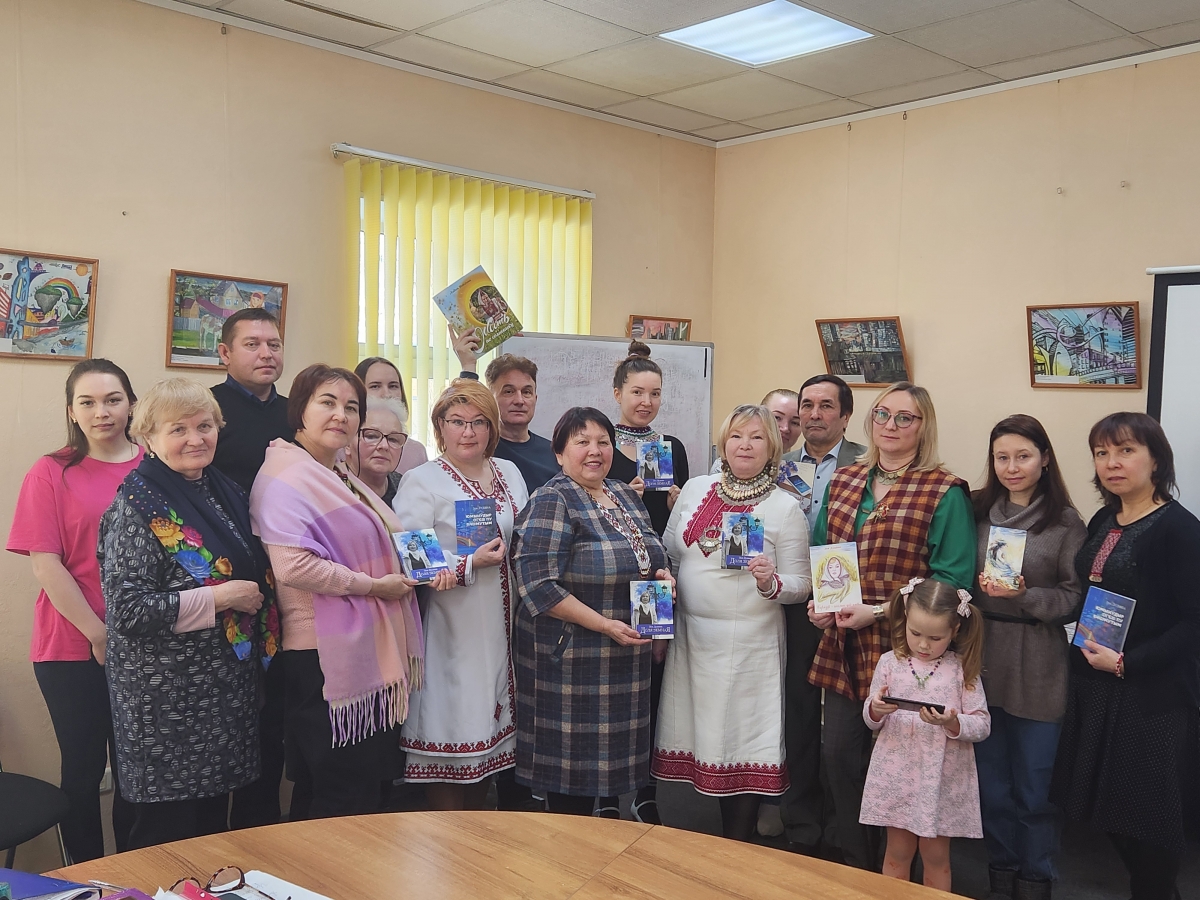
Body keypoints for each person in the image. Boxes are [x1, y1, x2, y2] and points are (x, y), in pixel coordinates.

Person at [99, 378, 277, 849]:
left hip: (219, 698)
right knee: (166, 839)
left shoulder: (222, 489)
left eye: (205, 426)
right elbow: (128, 611)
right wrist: (222, 598)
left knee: (210, 838)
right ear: (148, 437)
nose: (195, 439)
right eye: (178, 429)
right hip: (165, 707)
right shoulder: (136, 507)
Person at [807, 381, 975, 870]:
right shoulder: (844, 480)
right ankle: (855, 862)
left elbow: (952, 583)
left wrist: (879, 611)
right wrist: (821, 605)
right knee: (839, 754)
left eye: (906, 418)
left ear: (924, 427)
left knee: (901, 764)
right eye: (882, 414)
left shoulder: (945, 491)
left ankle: (894, 869)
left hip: (910, 648)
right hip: (844, 641)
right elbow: (824, 553)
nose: (891, 425)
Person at [250, 364, 422, 820]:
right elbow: (294, 567)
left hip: (359, 645)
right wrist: (375, 587)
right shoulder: (286, 476)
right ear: (300, 410)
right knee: (340, 794)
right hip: (321, 656)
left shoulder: (336, 472)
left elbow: (388, 540)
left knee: (351, 789)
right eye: (327, 402)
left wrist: (454, 564)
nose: (340, 415)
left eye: (351, 407)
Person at [1050, 413, 1200, 900]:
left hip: (1151, 697)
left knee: (1149, 820)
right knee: (1107, 808)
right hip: (1095, 688)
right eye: (1102, 453)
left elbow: (1194, 624)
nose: (1111, 463)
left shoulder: (1180, 529)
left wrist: (1126, 663)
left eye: (1126, 450)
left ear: (1156, 459)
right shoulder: (1103, 520)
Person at [653, 404, 812, 841]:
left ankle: (737, 844)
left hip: (748, 646)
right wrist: (662, 614)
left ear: (772, 448)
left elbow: (801, 585)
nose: (745, 445)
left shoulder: (785, 507)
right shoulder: (695, 489)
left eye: (757, 437)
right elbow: (668, 553)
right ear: (723, 443)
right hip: (691, 640)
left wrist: (770, 581)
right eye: (737, 436)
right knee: (701, 737)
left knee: (742, 741)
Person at [6, 359, 141, 861]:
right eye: (88, 402)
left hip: (145, 645)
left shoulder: (155, 466)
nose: (101, 412)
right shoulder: (51, 471)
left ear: (131, 405)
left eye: (113, 400)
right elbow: (47, 565)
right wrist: (98, 634)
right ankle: (85, 879)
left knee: (137, 771)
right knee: (82, 772)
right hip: (70, 648)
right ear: (71, 411)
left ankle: (134, 874)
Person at [511, 407, 673, 817]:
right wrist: (603, 624)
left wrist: (663, 576)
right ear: (559, 452)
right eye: (581, 442)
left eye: (603, 442)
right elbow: (538, 585)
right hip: (572, 660)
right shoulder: (552, 499)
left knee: (611, 774)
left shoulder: (624, 494)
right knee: (573, 780)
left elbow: (652, 554)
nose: (594, 451)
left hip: (625, 658)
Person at [393, 379, 529, 809]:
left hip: (505, 631)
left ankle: (474, 835)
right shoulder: (422, 480)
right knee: (454, 735)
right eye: (456, 421)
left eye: (478, 422)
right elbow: (411, 558)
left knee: (489, 743)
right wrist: (468, 563)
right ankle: (446, 837)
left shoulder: (508, 473)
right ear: (440, 427)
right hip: (454, 629)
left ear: (492, 428)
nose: (468, 432)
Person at [971, 415, 1086, 900]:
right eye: (1002, 457)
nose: (1012, 467)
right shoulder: (977, 511)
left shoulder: (1066, 523)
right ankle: (1001, 870)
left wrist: (1025, 595)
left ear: (1045, 459)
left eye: (1023, 456)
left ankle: (1036, 877)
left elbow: (1075, 598)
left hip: (1039, 661)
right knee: (992, 785)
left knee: (1035, 787)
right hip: (983, 656)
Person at [209, 307, 291, 829]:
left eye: (274, 344)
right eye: (252, 344)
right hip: (224, 588)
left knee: (273, 721)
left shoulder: (295, 413)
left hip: (288, 584)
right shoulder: (207, 411)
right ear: (224, 353)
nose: (266, 353)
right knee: (226, 719)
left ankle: (258, 836)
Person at [779, 374, 866, 856]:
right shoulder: (780, 467)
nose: (814, 414)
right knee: (798, 710)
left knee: (843, 722)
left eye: (826, 406)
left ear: (845, 416)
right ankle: (801, 817)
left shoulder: (867, 465)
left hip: (849, 605)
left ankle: (843, 824)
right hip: (796, 603)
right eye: (807, 405)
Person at [862, 577, 990, 892]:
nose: (923, 645)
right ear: (905, 619)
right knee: (897, 852)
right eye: (915, 633)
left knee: (936, 856)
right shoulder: (889, 663)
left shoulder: (962, 669)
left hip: (941, 778)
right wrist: (876, 708)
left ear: (954, 631)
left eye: (935, 638)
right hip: (897, 774)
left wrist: (952, 722)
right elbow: (870, 719)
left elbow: (982, 724)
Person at [606, 340, 689, 824]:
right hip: (609, 579)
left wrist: (679, 502)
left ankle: (645, 790)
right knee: (610, 683)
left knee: (652, 682)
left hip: (656, 580)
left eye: (655, 393)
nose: (646, 402)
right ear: (618, 392)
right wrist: (623, 497)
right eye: (637, 392)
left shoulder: (671, 448)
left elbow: (681, 526)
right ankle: (604, 793)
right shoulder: (599, 444)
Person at [484, 354, 560, 490]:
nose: (519, 400)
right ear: (490, 398)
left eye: (526, 392)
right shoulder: (481, 451)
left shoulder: (555, 454)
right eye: (509, 392)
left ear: (535, 398)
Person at [354, 357, 428, 476]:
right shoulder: (341, 447)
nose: (386, 394)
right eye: (375, 386)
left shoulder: (416, 452)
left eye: (393, 386)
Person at [708, 388, 804, 474]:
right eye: (777, 418)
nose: (785, 428)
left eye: (795, 422)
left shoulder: (802, 469)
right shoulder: (724, 469)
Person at [346, 396, 409, 506]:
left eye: (393, 439)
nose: (384, 446)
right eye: (371, 436)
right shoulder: (331, 488)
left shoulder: (405, 488)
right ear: (347, 444)